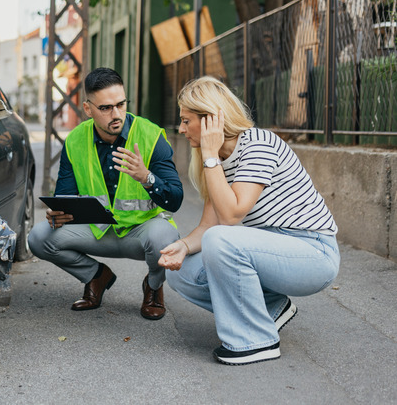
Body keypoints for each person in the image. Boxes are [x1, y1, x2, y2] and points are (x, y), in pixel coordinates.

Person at [160, 76, 339, 365]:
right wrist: (181, 245)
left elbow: (231, 216)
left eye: (186, 120)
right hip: (274, 250)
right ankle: (271, 308)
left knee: (220, 241)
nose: (181, 129)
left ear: (210, 121)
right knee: (180, 272)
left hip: (314, 254)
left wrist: (209, 156)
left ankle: (255, 341)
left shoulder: (258, 144)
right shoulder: (218, 159)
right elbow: (208, 224)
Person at [28, 67, 183, 319]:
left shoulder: (151, 135)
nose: (116, 114)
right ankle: (96, 276)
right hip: (97, 230)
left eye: (121, 104)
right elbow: (65, 195)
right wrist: (57, 212)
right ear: (88, 109)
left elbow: (175, 199)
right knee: (38, 237)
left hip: (141, 233)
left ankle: (153, 287)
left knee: (164, 239)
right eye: (106, 108)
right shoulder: (75, 139)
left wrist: (147, 178)